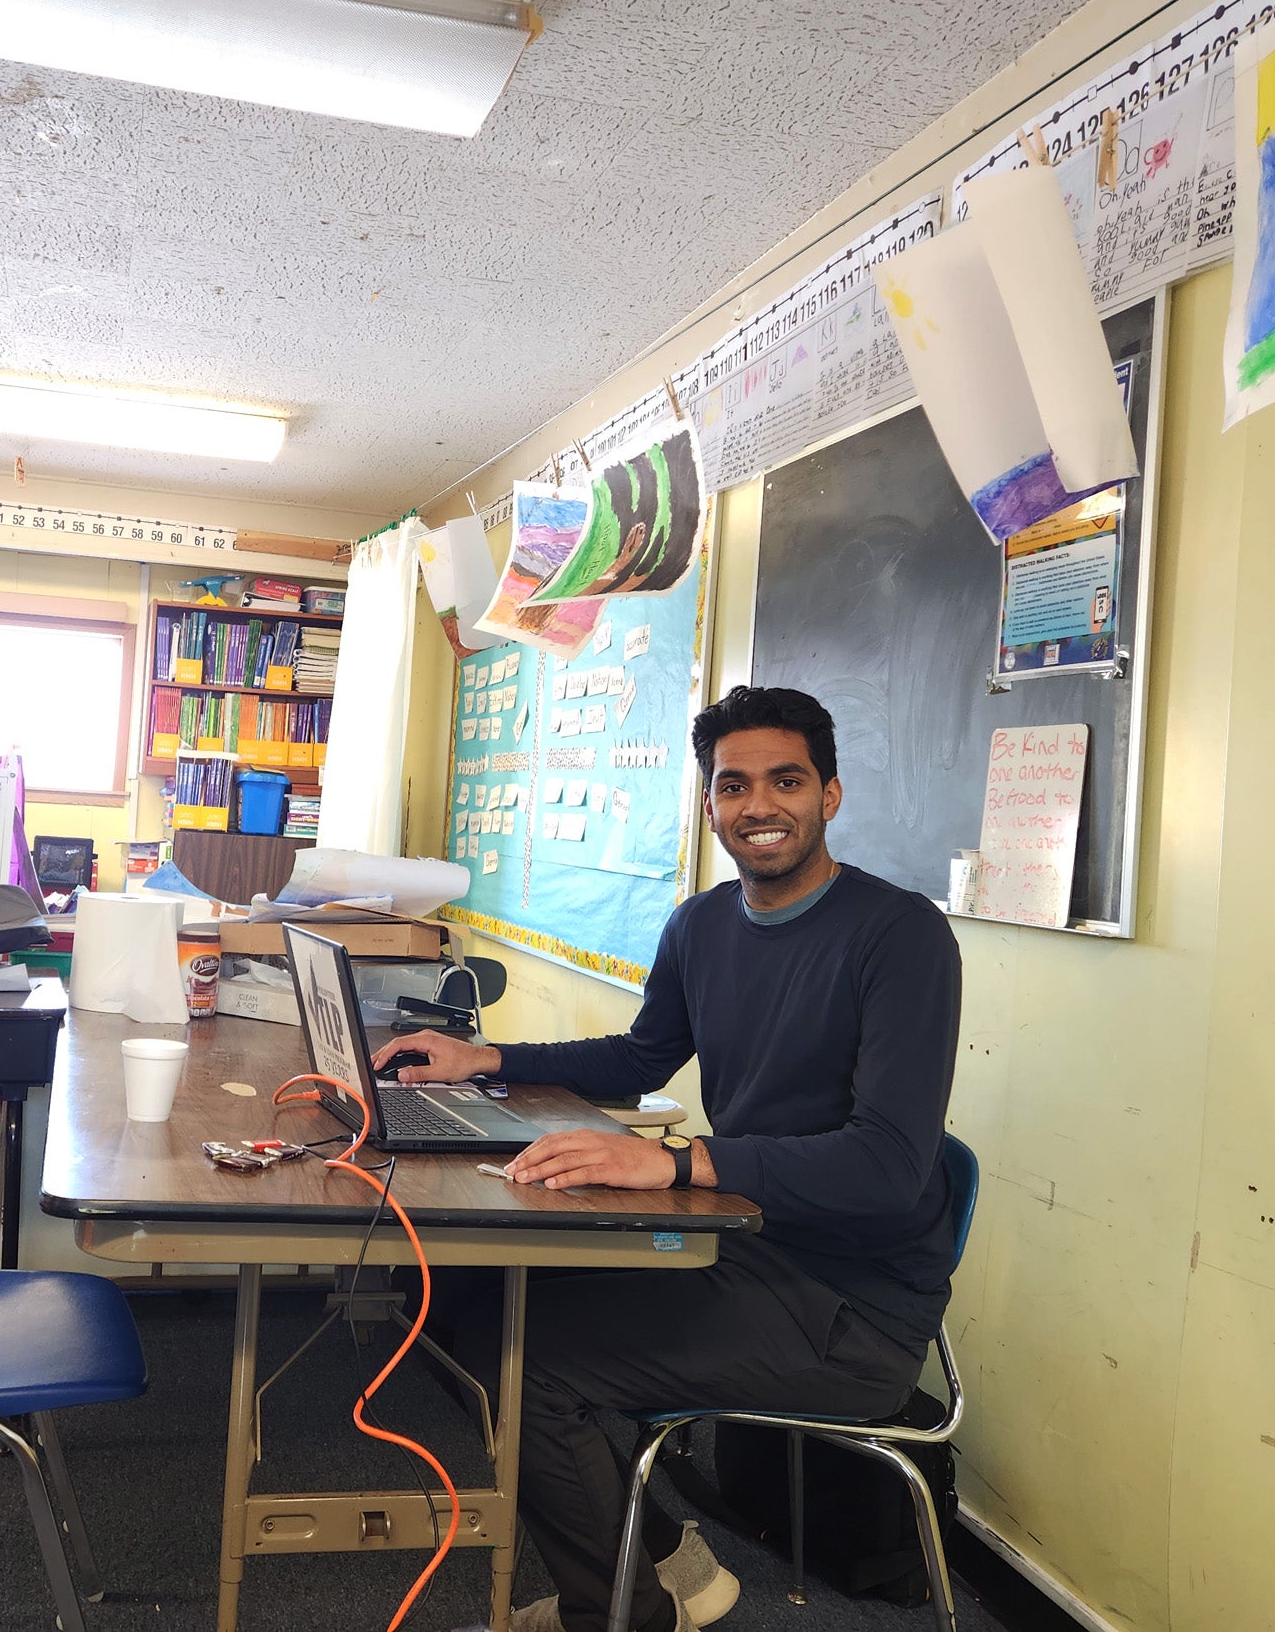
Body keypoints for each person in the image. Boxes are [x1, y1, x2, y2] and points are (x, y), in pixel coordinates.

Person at [380, 686, 963, 1632]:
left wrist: (681, 1163)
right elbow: (637, 1057)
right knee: (445, 1305)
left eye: (785, 781)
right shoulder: (701, 924)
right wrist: (484, 1058)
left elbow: (888, 1165)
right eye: (733, 786)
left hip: (849, 1307)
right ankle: (666, 1567)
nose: (758, 806)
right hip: (732, 1247)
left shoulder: (898, 936)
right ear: (709, 806)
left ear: (830, 795)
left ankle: (614, 1616)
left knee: (521, 1363)